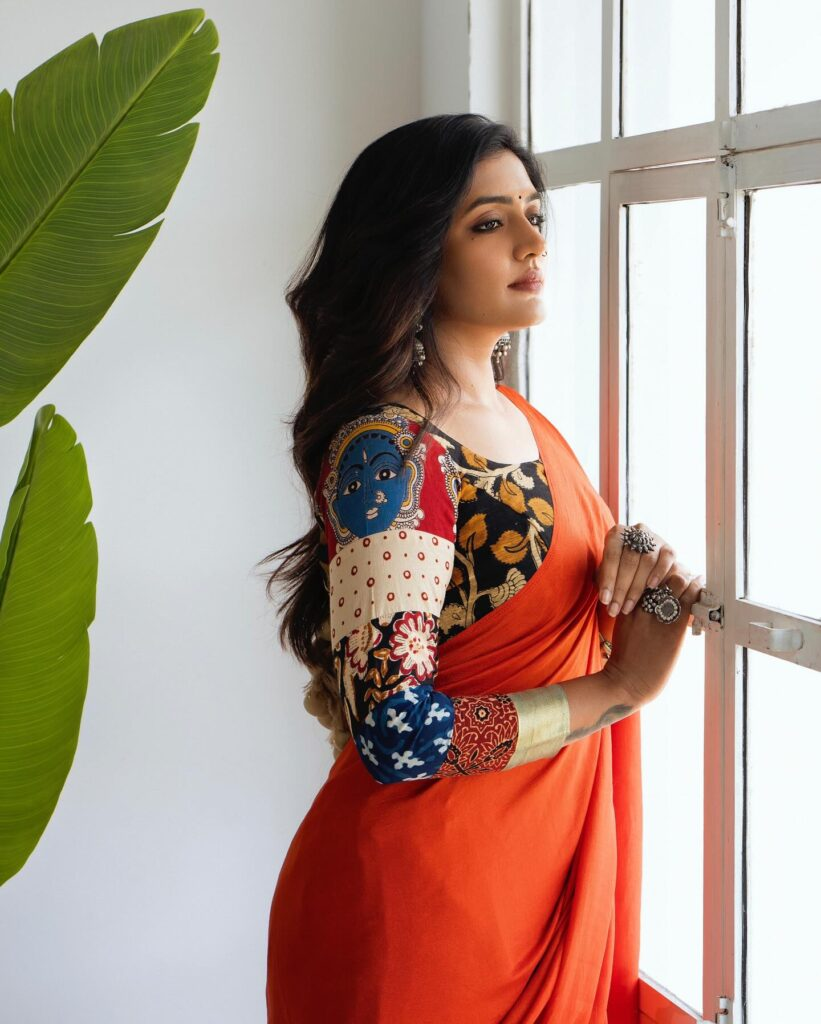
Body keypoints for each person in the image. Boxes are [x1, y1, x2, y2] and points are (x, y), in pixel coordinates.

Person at [258, 113, 705, 1023]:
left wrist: (628, 558)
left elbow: (527, 577)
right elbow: (396, 733)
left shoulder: (521, 419)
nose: (533, 242)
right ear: (415, 251)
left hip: (530, 885)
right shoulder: (391, 453)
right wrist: (618, 688)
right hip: (423, 919)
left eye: (533, 213)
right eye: (489, 222)